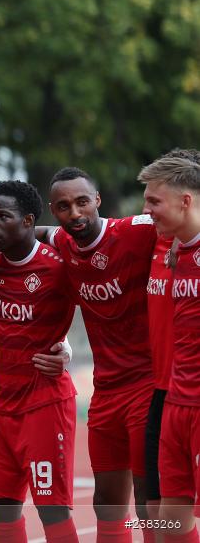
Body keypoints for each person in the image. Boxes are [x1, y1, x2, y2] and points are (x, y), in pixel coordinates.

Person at [46, 167, 156, 540]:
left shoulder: (136, 231)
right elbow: (27, 233)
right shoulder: (61, 242)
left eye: (81, 202)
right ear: (53, 210)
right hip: (106, 391)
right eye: (63, 207)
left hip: (149, 385)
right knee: (106, 501)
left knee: (148, 502)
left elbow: (178, 217)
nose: (75, 213)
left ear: (97, 200)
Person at [0, 181, 79, 543]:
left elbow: (97, 310)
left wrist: (66, 351)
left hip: (44, 404)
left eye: (3, 216)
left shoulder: (59, 268)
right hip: (2, 407)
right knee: (1, 508)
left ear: (29, 221)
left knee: (52, 510)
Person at [138, 155, 200, 543]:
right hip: (175, 403)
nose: (146, 210)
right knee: (167, 521)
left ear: (185, 202)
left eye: (154, 202)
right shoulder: (176, 250)